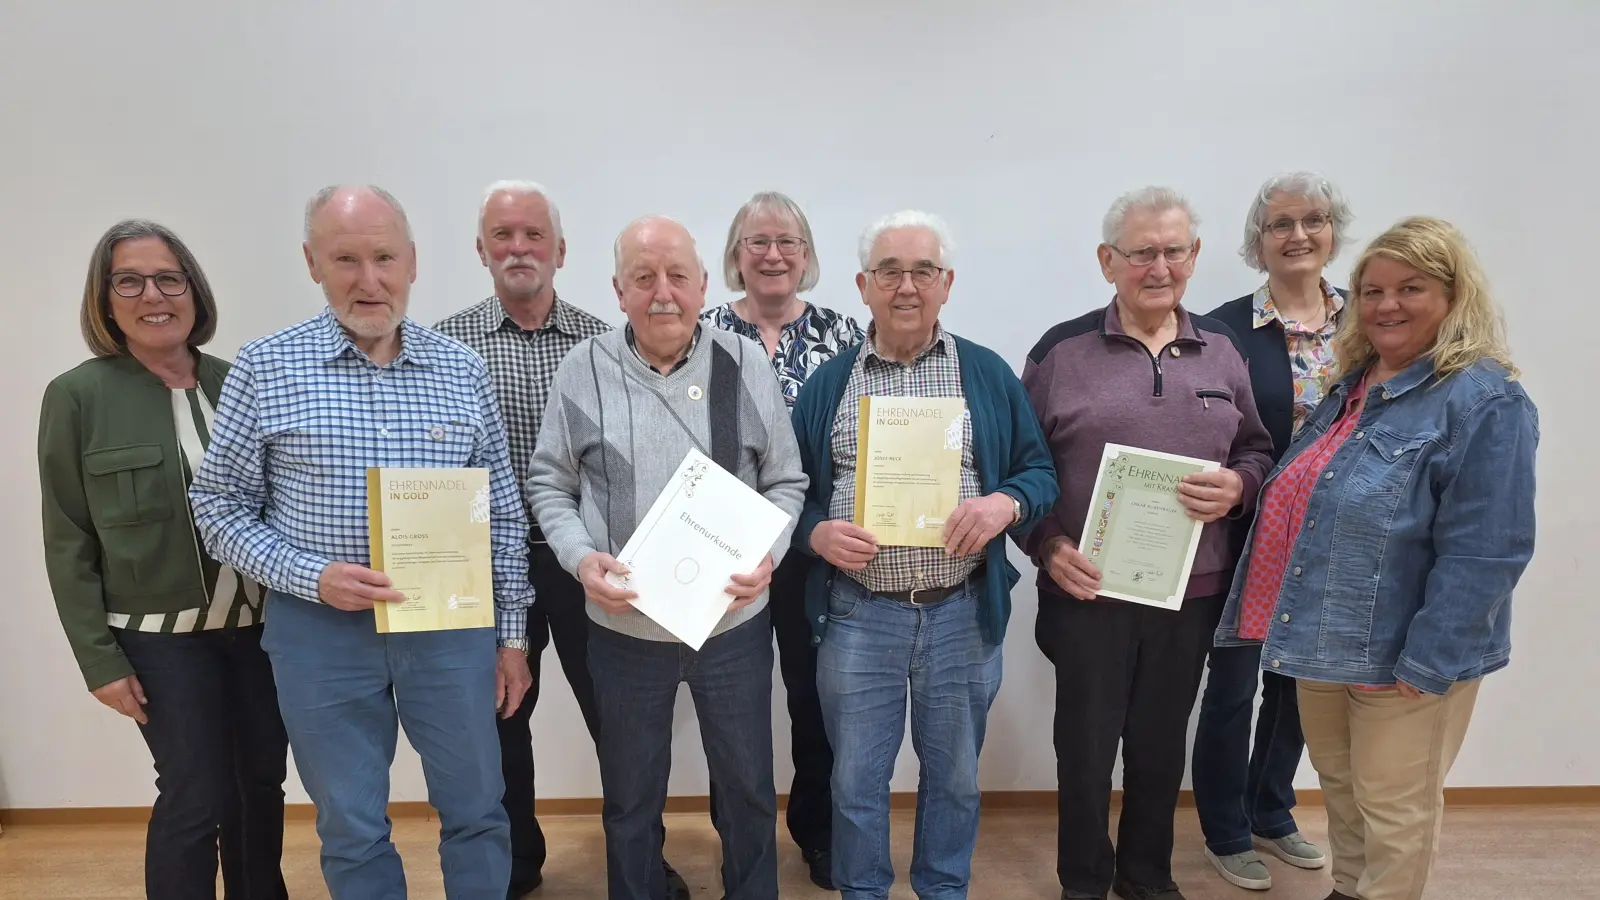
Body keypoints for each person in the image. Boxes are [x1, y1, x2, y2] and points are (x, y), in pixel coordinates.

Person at [190, 185, 534, 900]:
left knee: (477, 810)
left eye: (384, 257)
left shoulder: (461, 370)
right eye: (345, 258)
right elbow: (216, 505)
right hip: (320, 634)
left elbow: (501, 513)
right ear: (313, 263)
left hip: (448, 629)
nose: (368, 279)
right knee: (351, 825)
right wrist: (311, 576)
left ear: (412, 263)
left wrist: (511, 637)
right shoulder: (266, 367)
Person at [1214, 216, 1538, 900]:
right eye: (1372, 290)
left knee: (1395, 810)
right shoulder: (1353, 386)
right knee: (1344, 793)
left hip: (1406, 656)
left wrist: (1428, 662)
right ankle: (1349, 890)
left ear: (1453, 296)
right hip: (1325, 638)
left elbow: (1488, 551)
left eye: (1410, 288)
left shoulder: (1484, 400)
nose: (1387, 304)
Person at [526, 214, 807, 900]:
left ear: (703, 284)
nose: (663, 293)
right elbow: (549, 484)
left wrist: (768, 553)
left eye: (678, 276)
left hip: (733, 625)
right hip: (624, 631)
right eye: (643, 278)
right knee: (629, 799)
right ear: (617, 289)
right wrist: (578, 558)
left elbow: (786, 479)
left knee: (745, 792)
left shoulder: (745, 366)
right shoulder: (582, 370)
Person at [433, 180, 691, 900]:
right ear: (481, 249)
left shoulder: (605, 346)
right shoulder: (445, 346)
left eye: (534, 235)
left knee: (622, 723)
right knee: (498, 715)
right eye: (504, 236)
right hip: (482, 566)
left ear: (560, 250)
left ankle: (640, 861)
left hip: (586, 561)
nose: (520, 248)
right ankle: (514, 862)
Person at [790, 210, 1058, 900]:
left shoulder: (988, 374)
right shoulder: (830, 384)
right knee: (853, 781)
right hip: (858, 615)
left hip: (960, 616)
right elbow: (788, 493)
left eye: (922, 271)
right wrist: (817, 533)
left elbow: (1039, 473)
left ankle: (943, 890)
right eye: (889, 271)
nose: (905, 286)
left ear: (946, 284)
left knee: (956, 780)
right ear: (863, 285)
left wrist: (1004, 505)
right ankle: (864, 892)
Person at [1018, 187, 1275, 900]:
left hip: (1189, 593)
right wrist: (1046, 544)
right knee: (1086, 750)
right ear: (1109, 262)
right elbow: (1019, 468)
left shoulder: (1222, 351)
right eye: (1142, 253)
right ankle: (1084, 882)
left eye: (1174, 250)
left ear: (1193, 257)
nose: (1159, 266)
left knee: (1161, 747)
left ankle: (1147, 877)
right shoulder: (1059, 351)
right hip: (1086, 588)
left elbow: (1256, 450)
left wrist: (1239, 487)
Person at [38, 219, 289, 900]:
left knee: (261, 782)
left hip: (260, 632)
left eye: (168, 278)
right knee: (195, 791)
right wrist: (99, 659)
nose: (153, 294)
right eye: (130, 280)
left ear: (193, 290)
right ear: (105, 298)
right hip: (159, 641)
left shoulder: (237, 381)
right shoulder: (77, 397)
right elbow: (67, 536)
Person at [1191, 171, 1354, 889]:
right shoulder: (1224, 327)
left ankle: (1272, 807)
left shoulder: (1366, 320)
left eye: (1313, 220)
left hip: (1337, 534)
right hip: (1249, 530)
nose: (1298, 235)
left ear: (1333, 231)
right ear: (1258, 242)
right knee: (1233, 685)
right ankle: (1225, 827)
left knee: (1301, 684)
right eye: (1280, 224)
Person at [699, 189, 864, 889]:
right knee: (725, 700)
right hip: (716, 543)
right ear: (737, 255)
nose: (772, 254)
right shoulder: (700, 329)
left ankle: (817, 831)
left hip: (811, 547)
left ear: (807, 255)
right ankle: (738, 834)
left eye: (787, 242)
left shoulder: (844, 333)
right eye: (757, 242)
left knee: (811, 696)